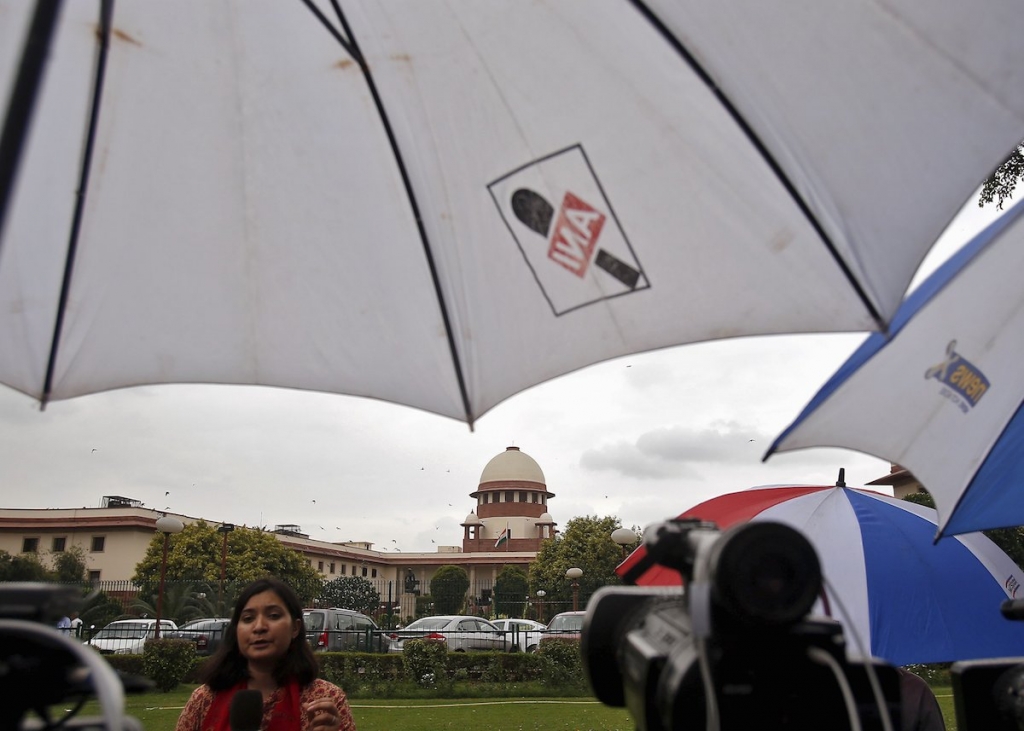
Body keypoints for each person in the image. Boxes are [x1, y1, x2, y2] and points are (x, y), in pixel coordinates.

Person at [175, 577, 356, 731]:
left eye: (274, 615)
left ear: (295, 628)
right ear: (236, 630)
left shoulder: (326, 700)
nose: (259, 626)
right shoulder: (205, 699)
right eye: (248, 618)